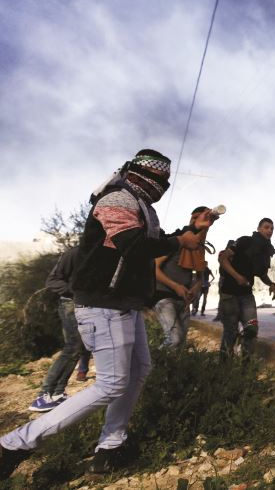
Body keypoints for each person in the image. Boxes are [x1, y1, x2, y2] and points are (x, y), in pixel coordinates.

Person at [0, 149, 209, 478]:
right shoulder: (118, 199)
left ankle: (110, 446)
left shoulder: (141, 205)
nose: (164, 186)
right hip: (104, 305)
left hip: (124, 305)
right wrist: (179, 241)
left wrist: (190, 231)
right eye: (162, 179)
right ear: (144, 175)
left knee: (138, 371)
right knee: (111, 385)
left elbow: (155, 242)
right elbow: (134, 246)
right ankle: (15, 444)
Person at [27, 246, 90, 412]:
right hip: (71, 304)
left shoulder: (100, 253)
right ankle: (44, 395)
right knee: (73, 347)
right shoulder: (75, 253)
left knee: (78, 348)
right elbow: (53, 280)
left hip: (88, 305)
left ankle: (57, 394)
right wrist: (76, 292)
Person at [154, 206, 217, 349]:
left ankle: (165, 364)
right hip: (164, 297)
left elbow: (200, 277)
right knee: (174, 339)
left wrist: (194, 289)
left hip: (184, 301)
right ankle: (153, 361)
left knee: (180, 344)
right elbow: (154, 269)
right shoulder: (177, 240)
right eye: (195, 218)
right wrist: (176, 286)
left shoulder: (199, 249)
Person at [217, 218, 275, 359]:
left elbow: (261, 274)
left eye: (272, 228)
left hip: (247, 295)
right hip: (230, 293)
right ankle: (223, 365)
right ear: (259, 229)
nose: (270, 230)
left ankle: (245, 365)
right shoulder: (245, 241)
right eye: (266, 227)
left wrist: (271, 284)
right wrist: (237, 277)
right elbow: (223, 259)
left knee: (251, 329)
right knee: (231, 331)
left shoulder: (265, 251)